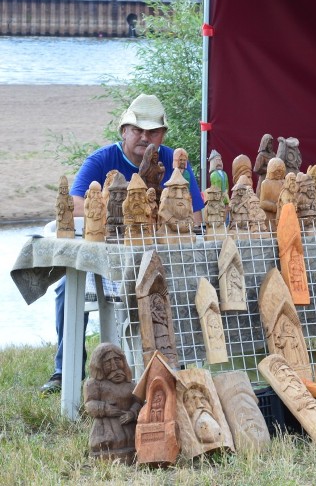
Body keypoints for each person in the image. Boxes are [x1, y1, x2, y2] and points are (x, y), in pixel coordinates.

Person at [40, 94, 204, 394]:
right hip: (107, 257)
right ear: (124, 131)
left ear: (163, 134)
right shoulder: (102, 160)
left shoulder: (173, 159)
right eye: (137, 130)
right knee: (67, 286)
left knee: (193, 278)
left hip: (160, 255)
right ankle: (66, 371)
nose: (144, 137)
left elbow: (196, 214)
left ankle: (182, 367)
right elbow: (75, 205)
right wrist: (128, 206)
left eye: (152, 131)